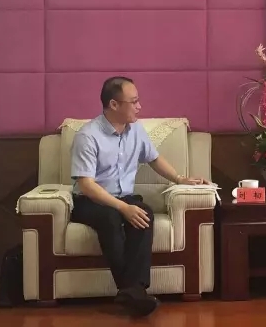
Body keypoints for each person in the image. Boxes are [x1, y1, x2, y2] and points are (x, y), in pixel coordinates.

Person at [70, 76, 210, 317]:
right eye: (133, 102)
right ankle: (131, 290)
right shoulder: (88, 136)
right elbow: (87, 185)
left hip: (124, 196)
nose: (139, 106)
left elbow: (154, 158)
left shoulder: (135, 130)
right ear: (114, 104)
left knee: (144, 214)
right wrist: (122, 208)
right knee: (111, 218)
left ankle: (134, 291)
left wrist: (179, 178)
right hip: (90, 201)